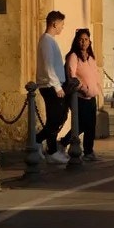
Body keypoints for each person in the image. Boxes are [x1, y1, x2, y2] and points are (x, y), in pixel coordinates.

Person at [35, 11, 69, 164]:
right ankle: (40, 142)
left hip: (53, 84)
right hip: (49, 85)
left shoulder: (50, 41)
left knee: (58, 117)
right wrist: (57, 87)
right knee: (56, 118)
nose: (62, 27)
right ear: (54, 24)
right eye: (61, 24)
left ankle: (50, 149)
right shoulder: (46, 41)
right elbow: (48, 66)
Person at [65, 28, 102, 161]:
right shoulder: (73, 57)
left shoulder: (91, 58)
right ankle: (64, 142)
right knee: (82, 124)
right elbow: (71, 76)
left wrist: (98, 90)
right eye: (81, 39)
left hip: (91, 97)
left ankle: (88, 151)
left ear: (89, 41)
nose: (84, 42)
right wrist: (83, 88)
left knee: (91, 125)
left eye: (86, 39)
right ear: (76, 41)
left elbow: (95, 75)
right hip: (80, 97)